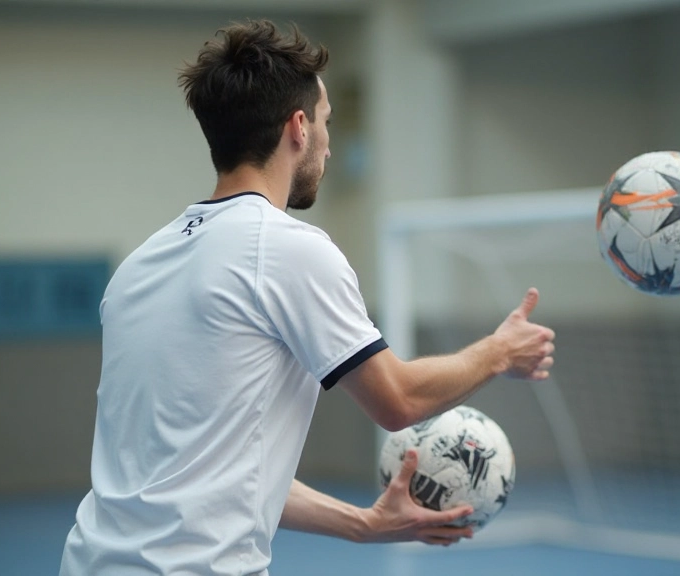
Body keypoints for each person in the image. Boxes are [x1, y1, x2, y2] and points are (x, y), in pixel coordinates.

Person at [59, 19, 555, 575]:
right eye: (325, 122)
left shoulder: (140, 265)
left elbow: (216, 473)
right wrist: (500, 352)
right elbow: (398, 401)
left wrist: (363, 525)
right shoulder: (285, 248)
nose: (327, 142)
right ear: (298, 128)